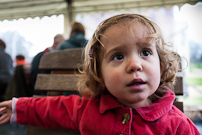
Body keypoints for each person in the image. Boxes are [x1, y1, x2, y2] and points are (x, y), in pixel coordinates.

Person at [0, 14, 200, 134]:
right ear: (99, 74)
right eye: (118, 56)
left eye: (145, 52)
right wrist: (19, 107)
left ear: (162, 65)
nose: (134, 65)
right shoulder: (87, 109)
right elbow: (53, 108)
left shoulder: (178, 126)